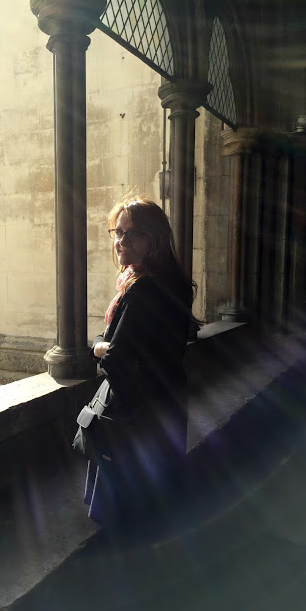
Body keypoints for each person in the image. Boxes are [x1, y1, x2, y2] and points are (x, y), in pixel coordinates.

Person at [82, 197, 196, 529]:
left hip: (136, 416)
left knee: (126, 511)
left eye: (133, 234)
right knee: (158, 502)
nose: (122, 241)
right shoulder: (175, 281)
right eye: (118, 232)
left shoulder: (143, 288)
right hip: (168, 403)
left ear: (154, 239)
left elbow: (115, 358)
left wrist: (94, 347)